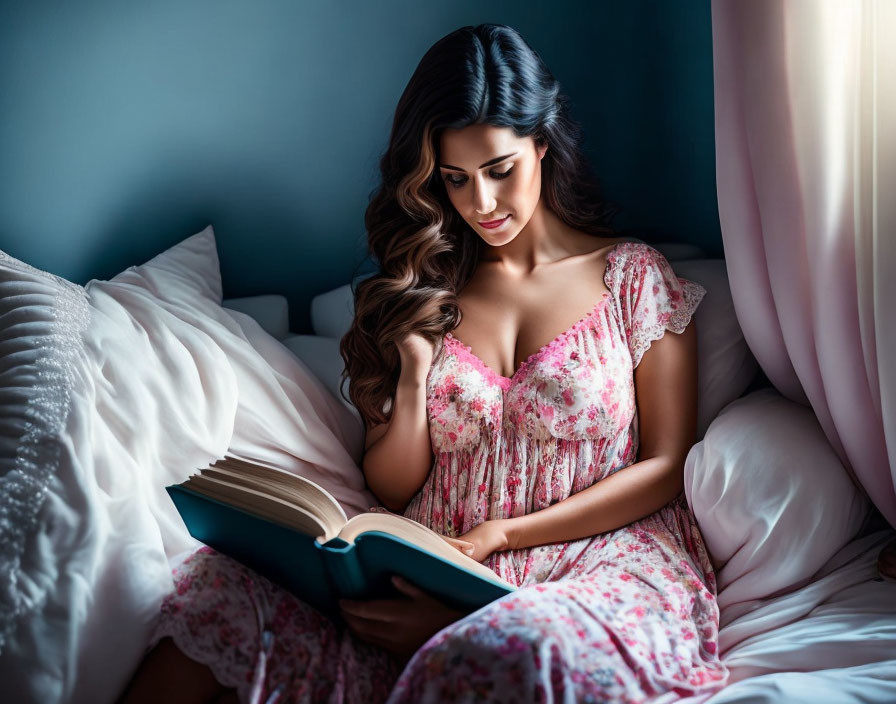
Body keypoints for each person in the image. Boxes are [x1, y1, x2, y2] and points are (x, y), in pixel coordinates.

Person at [119, 23, 728, 704]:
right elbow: (392, 487)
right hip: (438, 567)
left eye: (501, 171)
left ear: (543, 146)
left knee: (504, 646)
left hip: (598, 565)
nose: (482, 204)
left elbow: (666, 465)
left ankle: (473, 637)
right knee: (214, 593)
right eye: (456, 179)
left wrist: (501, 538)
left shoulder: (631, 277)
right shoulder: (424, 292)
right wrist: (413, 380)